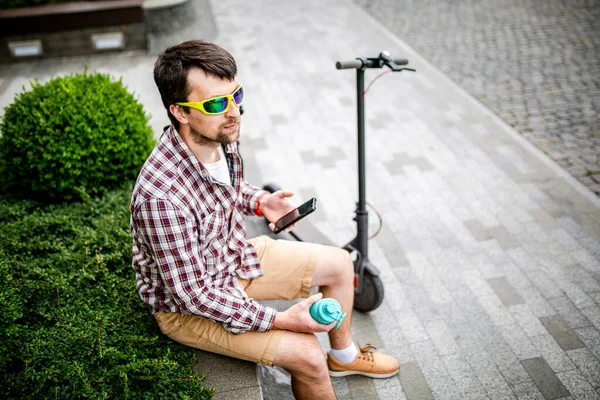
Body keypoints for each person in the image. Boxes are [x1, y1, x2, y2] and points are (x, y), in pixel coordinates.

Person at [130, 40, 399, 399]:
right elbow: (193, 295)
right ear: (179, 112)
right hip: (187, 309)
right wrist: (283, 319)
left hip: (230, 259)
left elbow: (228, 187)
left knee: (338, 263)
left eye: (236, 95)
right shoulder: (159, 198)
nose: (233, 112)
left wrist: (261, 202)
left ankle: (344, 355)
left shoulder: (217, 133)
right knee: (306, 353)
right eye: (215, 103)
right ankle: (321, 364)